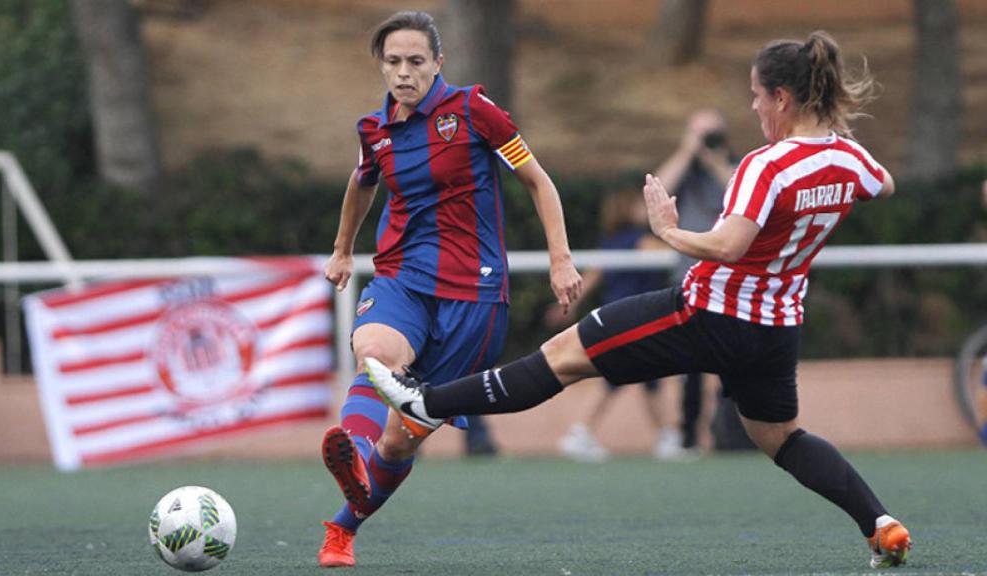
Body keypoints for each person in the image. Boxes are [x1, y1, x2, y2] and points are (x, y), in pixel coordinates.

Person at [366, 31, 913, 569]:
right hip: (774, 329)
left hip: (706, 312)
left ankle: (424, 405)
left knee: (561, 358)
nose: (753, 107)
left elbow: (728, 245)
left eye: (756, 96)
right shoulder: (848, 158)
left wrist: (669, 231)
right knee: (783, 440)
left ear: (782, 98)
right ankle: (880, 524)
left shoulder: (765, 165)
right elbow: (883, 184)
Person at [318, 10, 582, 568]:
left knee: (403, 437)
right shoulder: (375, 130)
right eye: (393, 62)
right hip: (402, 278)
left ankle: (344, 527)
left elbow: (537, 179)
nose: (404, 73)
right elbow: (361, 183)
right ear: (381, 66)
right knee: (374, 353)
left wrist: (560, 260)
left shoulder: (474, 111)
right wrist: (343, 248)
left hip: (474, 297)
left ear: (439, 63)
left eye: (416, 61)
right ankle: (354, 456)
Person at [549, 187, 685, 461]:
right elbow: (674, 252)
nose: (644, 210)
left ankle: (667, 437)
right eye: (638, 205)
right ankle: (579, 433)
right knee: (616, 375)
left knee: (649, 374)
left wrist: (570, 303)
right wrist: (671, 228)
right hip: (634, 319)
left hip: (617, 318)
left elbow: (591, 277)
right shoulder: (639, 240)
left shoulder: (610, 243)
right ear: (626, 209)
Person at [654, 109, 738, 452]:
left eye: (712, 133)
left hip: (731, 278)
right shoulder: (684, 171)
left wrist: (716, 160)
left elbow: (741, 195)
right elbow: (655, 192)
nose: (706, 141)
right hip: (689, 276)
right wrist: (687, 152)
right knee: (690, 362)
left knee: (733, 362)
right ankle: (688, 435)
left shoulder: (741, 168)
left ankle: (731, 436)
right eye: (700, 134)